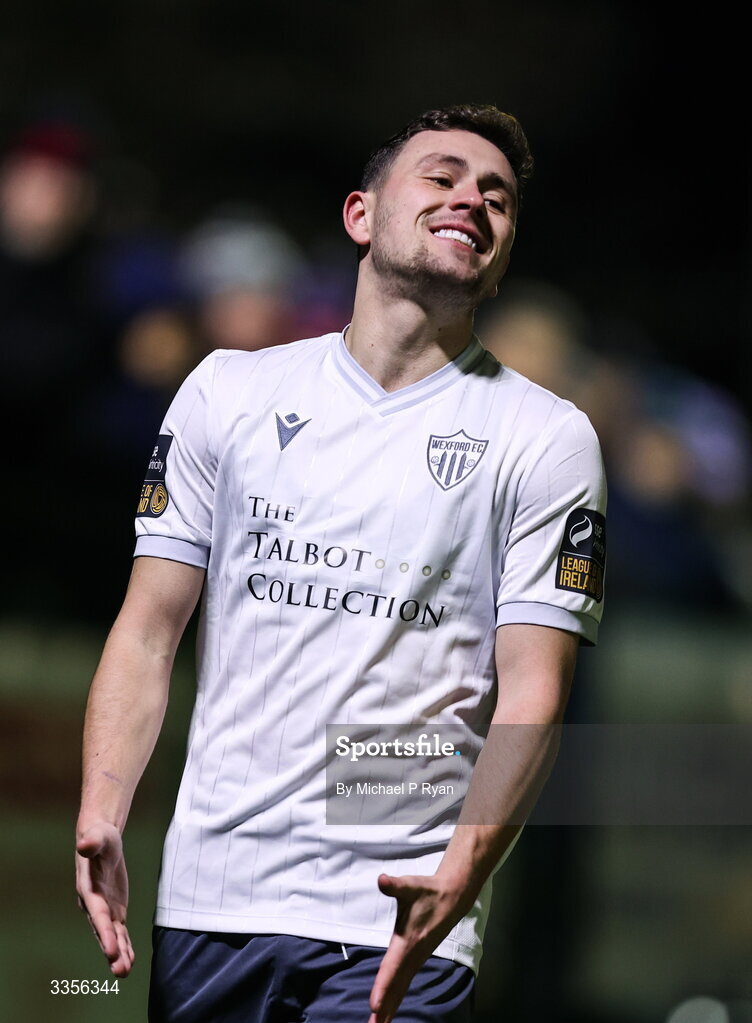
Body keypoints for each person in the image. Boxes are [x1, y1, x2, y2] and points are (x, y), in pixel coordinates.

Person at [75, 103, 607, 1022]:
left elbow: (532, 694)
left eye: (499, 198)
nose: (472, 201)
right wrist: (102, 808)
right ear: (361, 215)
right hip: (216, 895)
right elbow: (149, 629)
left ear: (504, 250)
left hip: (396, 913)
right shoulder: (230, 391)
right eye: (442, 178)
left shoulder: (546, 437)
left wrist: (460, 872)